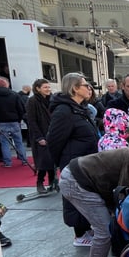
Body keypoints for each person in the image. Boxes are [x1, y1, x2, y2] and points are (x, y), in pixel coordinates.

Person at [47, 72, 99, 247]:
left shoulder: (79, 108)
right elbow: (54, 140)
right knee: (75, 198)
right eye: (85, 85)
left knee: (86, 196)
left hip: (85, 162)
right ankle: (79, 234)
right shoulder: (64, 111)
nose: (89, 88)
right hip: (73, 163)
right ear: (75, 88)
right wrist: (62, 162)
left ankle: (85, 228)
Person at [0, 77, 28, 167]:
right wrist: (20, 119)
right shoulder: (14, 94)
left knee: (4, 142)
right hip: (14, 121)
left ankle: (7, 162)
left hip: (1, 121)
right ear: (6, 84)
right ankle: (24, 160)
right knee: (18, 141)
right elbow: (21, 109)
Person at [26, 78, 56, 193]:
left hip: (52, 133)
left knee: (52, 159)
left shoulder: (52, 99)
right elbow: (31, 121)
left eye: (49, 87)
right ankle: (40, 182)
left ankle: (52, 181)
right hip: (40, 134)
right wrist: (39, 137)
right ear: (38, 89)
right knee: (44, 161)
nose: (48, 89)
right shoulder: (32, 101)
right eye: (45, 87)